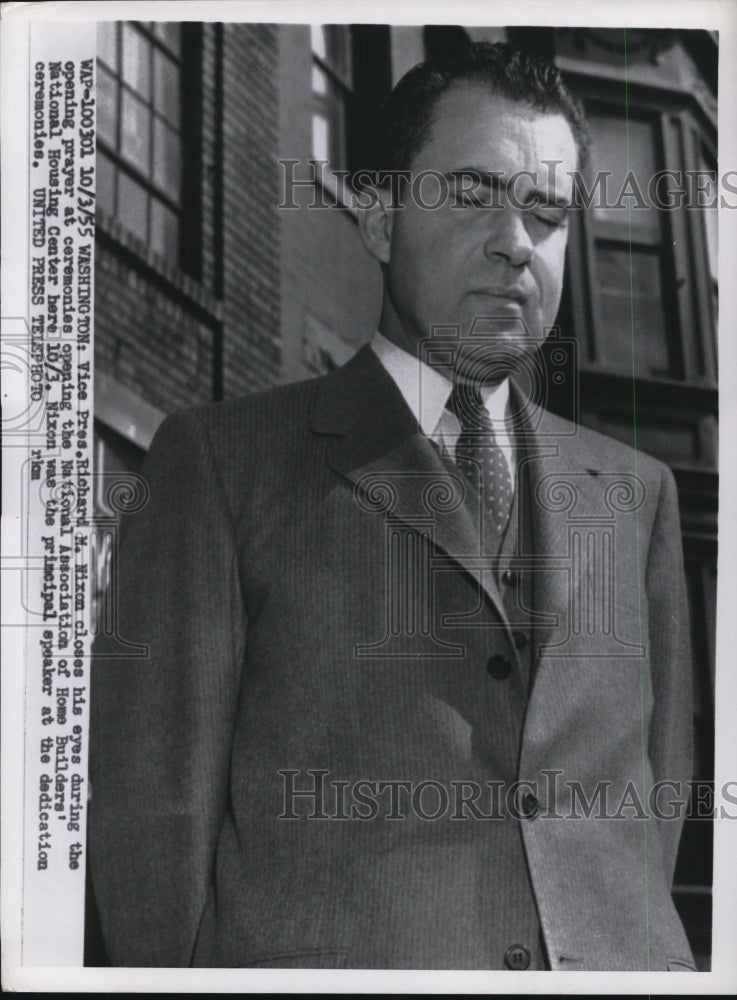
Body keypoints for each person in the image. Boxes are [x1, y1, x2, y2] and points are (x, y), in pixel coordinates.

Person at [88, 41, 696, 971]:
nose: (514, 241)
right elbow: (151, 831)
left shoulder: (636, 494)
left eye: (546, 213)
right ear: (377, 220)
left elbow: (649, 820)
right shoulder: (219, 465)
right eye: (470, 195)